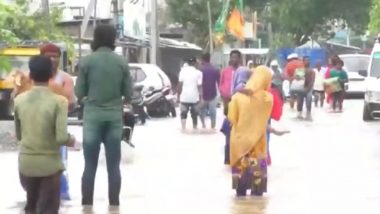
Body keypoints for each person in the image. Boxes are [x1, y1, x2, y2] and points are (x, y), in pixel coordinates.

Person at [75, 24, 133, 206]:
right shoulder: (121, 62)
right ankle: (114, 204)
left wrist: (87, 100)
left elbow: (79, 92)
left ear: (95, 38)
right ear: (113, 39)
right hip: (114, 117)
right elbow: (129, 93)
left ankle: (87, 205)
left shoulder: (86, 61)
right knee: (113, 166)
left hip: (92, 117)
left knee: (90, 166)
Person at [14, 55, 76, 214]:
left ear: (31, 75)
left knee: (31, 207)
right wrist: (72, 140)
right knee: (48, 209)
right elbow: (61, 137)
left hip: (26, 165)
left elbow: (19, 135)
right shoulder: (59, 101)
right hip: (49, 167)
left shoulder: (19, 100)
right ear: (51, 75)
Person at [228, 66, 287, 197]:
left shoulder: (237, 96)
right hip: (257, 144)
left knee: (240, 194)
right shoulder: (268, 98)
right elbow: (262, 121)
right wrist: (275, 131)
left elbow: (232, 119)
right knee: (258, 193)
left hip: (238, 144)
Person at [177, 57, 203, 131]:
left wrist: (178, 96)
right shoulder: (199, 73)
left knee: (183, 114)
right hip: (195, 97)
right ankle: (195, 127)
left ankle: (183, 128)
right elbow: (199, 87)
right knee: (194, 114)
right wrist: (201, 98)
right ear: (195, 63)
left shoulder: (182, 71)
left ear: (188, 63)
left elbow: (179, 85)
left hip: (184, 97)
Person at [199, 53, 220, 130]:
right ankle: (213, 127)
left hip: (203, 94)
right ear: (209, 59)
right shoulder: (215, 69)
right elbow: (219, 82)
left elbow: (198, 83)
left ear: (202, 59)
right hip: (213, 93)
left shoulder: (200, 69)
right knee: (212, 111)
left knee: (201, 110)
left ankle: (203, 125)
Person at [220, 50, 242, 114]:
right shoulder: (225, 71)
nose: (233, 59)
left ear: (239, 59)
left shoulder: (243, 71)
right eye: (232, 57)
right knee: (228, 117)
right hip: (227, 99)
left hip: (239, 99)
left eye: (235, 57)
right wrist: (223, 95)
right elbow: (221, 84)